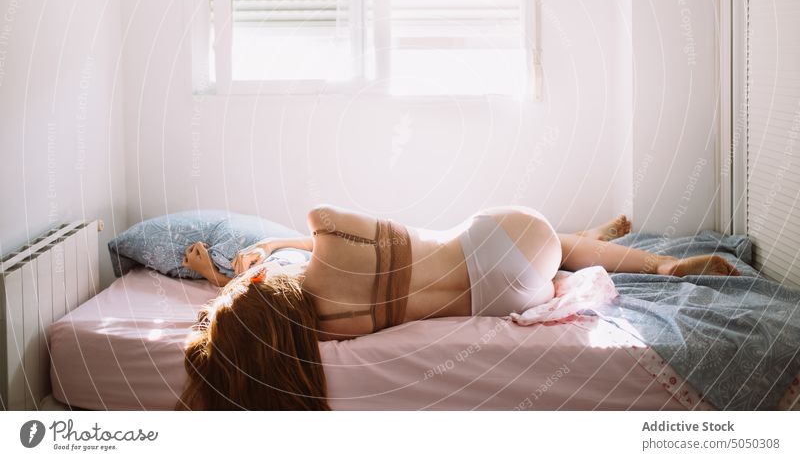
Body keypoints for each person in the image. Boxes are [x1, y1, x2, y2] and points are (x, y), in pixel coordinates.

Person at [177, 204, 739, 410]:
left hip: (507, 298)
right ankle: (658, 265)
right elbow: (304, 238)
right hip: (509, 240)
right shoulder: (324, 233)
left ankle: (579, 246)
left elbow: (251, 312)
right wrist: (276, 246)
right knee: (554, 246)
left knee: (556, 269)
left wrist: (214, 276)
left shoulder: (324, 330)